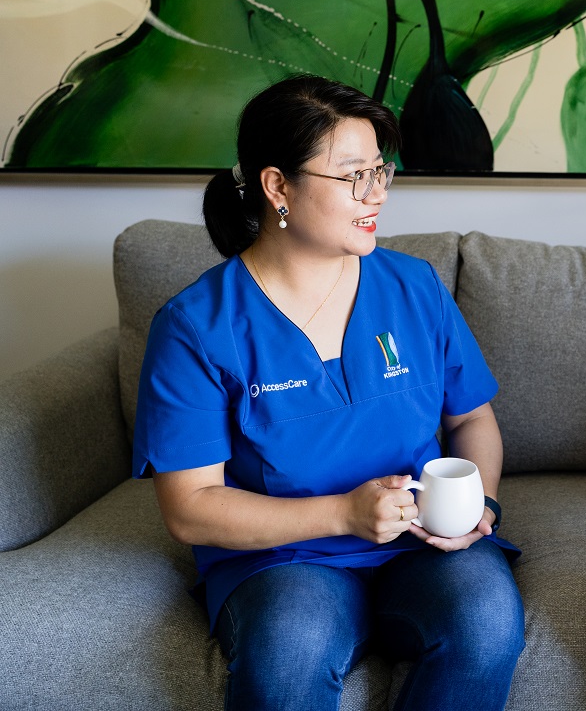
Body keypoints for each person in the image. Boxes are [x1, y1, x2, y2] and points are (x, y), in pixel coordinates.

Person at [132, 75, 524, 710]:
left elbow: (473, 419)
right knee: (289, 653)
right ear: (278, 186)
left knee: (484, 624)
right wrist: (342, 514)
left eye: (380, 171)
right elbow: (190, 507)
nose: (376, 194)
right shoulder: (196, 327)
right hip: (283, 555)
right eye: (352, 176)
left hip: (421, 541)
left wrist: (481, 506)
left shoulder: (414, 287)